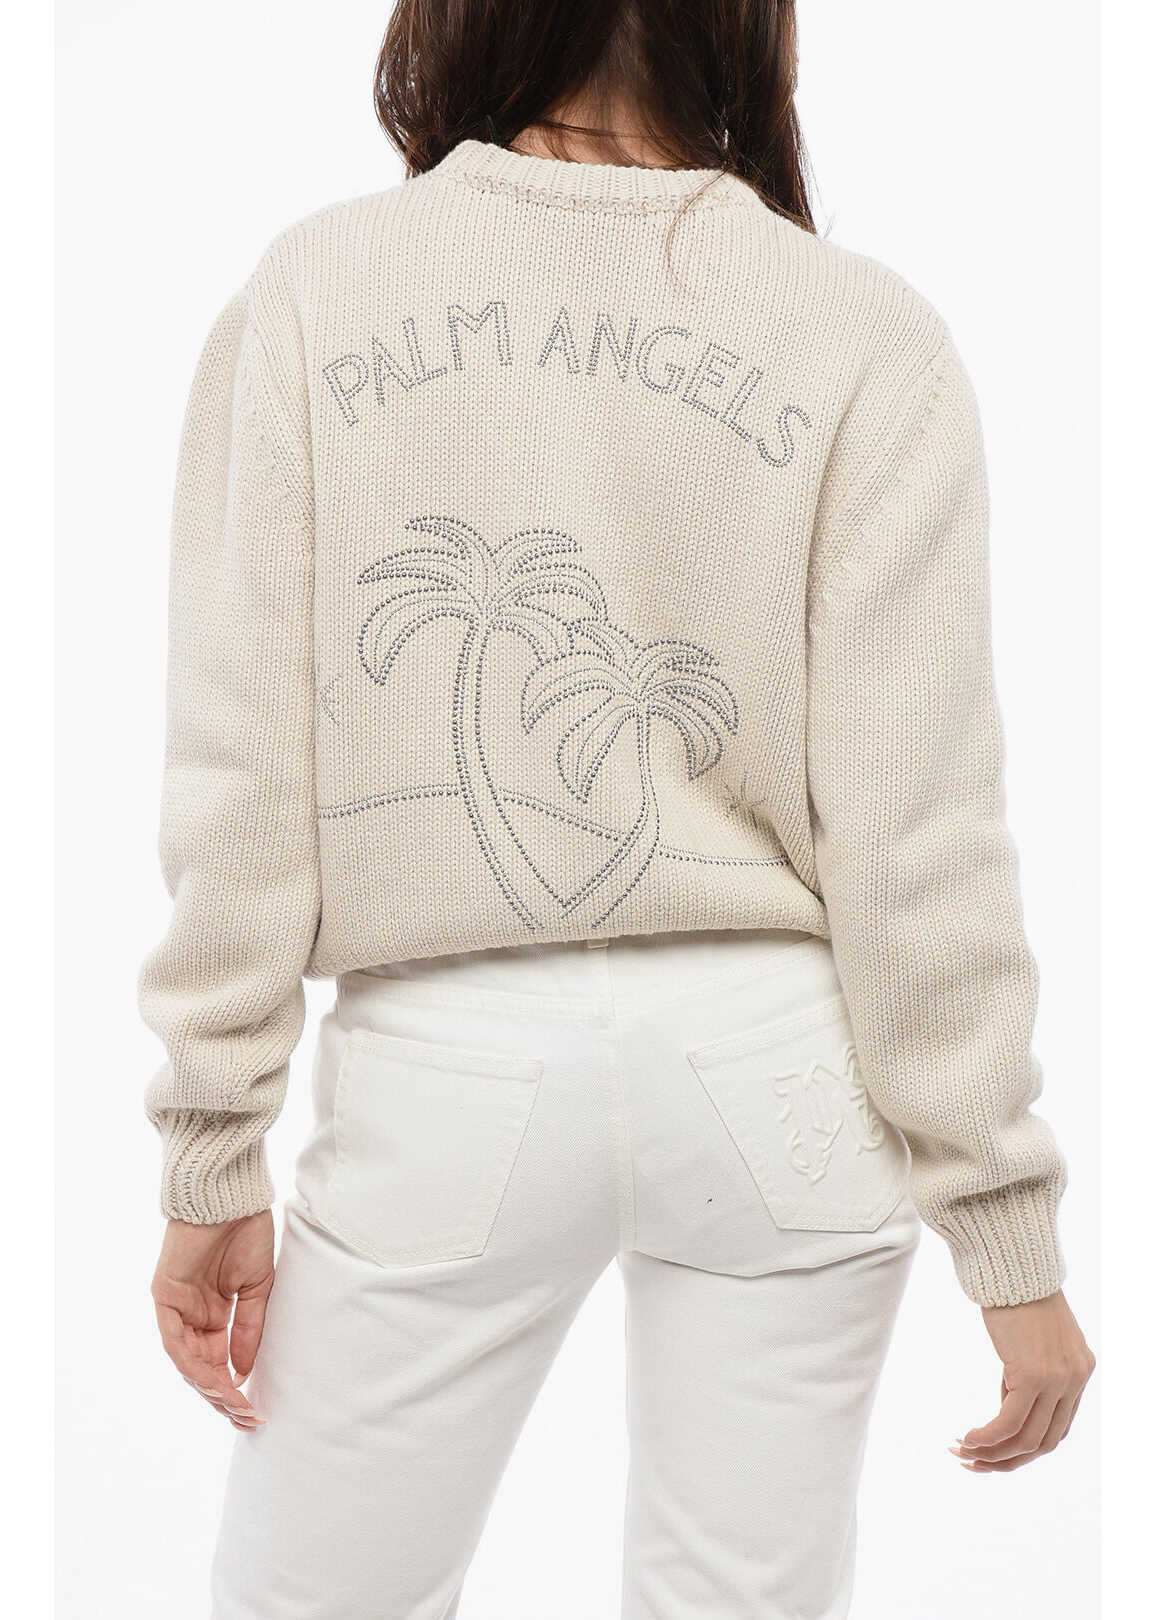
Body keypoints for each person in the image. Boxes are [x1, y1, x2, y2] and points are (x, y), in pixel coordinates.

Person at [140, 2, 1095, 1614]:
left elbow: (243, 763)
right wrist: (1006, 1235)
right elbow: (917, 821)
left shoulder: (321, 285)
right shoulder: (859, 327)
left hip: (452, 1069)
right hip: (778, 1070)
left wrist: (211, 1147)